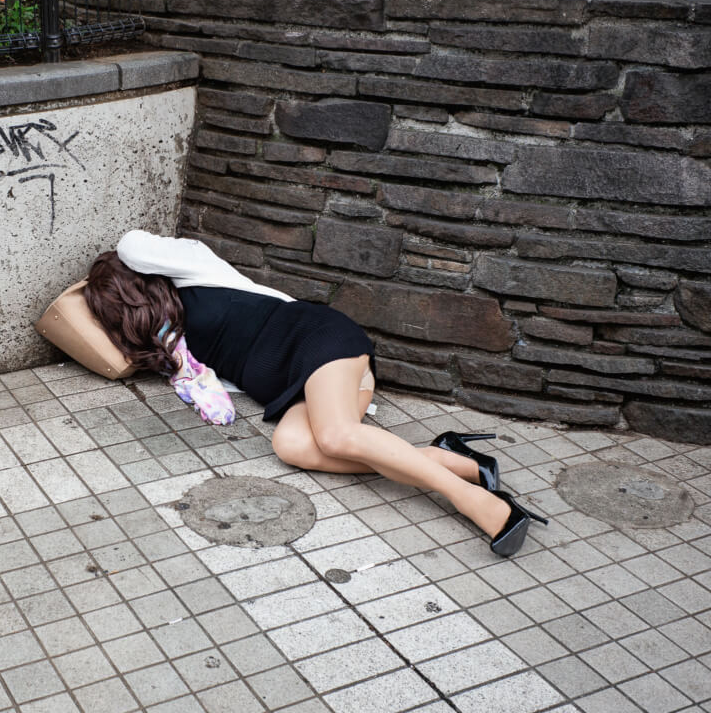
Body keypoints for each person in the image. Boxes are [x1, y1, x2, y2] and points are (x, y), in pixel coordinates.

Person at [84, 230, 546, 557]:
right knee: (292, 446)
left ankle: (478, 501)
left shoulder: (192, 271)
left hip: (318, 340)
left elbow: (132, 242)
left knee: (337, 437)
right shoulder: (176, 350)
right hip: (299, 384)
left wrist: (111, 264)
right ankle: (456, 459)